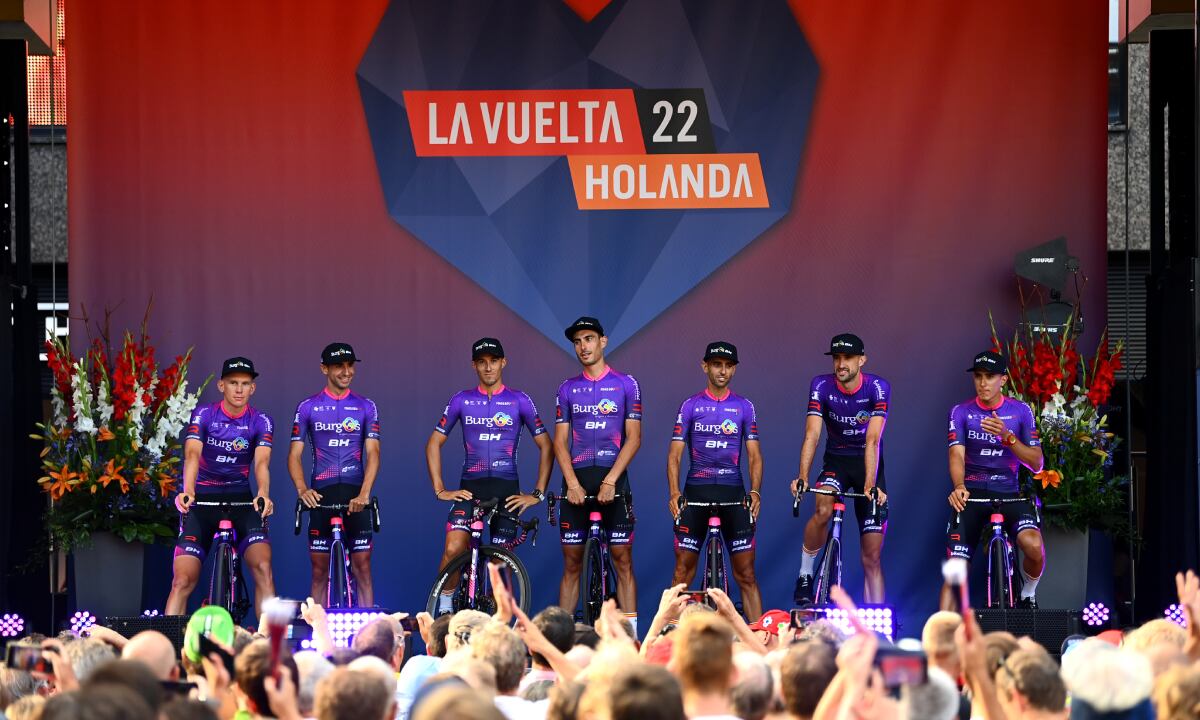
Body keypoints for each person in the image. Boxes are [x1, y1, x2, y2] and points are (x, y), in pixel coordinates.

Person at [426, 338, 552, 615]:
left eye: (493, 361)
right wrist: (440, 489)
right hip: (470, 489)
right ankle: (446, 609)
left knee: (501, 564)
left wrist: (538, 493)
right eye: (482, 362)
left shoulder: (520, 400)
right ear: (474, 365)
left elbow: (546, 445)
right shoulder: (461, 400)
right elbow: (433, 442)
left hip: (508, 490)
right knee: (453, 548)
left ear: (503, 362)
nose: (488, 367)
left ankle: (498, 619)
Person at [166, 357, 275, 616]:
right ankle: (167, 650)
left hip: (241, 501)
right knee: (181, 581)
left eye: (245, 384)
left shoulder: (261, 421)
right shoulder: (204, 414)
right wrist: (188, 490)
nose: (239, 389)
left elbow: (262, 463)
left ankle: (268, 648)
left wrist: (263, 494)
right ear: (221, 386)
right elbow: (192, 454)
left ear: (253, 388)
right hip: (202, 500)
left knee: (263, 568)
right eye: (233, 383)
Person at [554, 317, 643, 628]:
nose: (583, 347)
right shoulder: (567, 389)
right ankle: (561, 645)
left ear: (603, 341)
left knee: (623, 561)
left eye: (589, 339)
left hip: (613, 480)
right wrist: (572, 484)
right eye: (578, 341)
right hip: (577, 482)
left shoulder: (626, 384)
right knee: (571, 565)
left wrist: (610, 481)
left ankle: (632, 640)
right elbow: (560, 443)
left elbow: (634, 439)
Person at [790, 333, 891, 605]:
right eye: (837, 358)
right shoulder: (821, 385)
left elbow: (873, 439)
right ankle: (805, 573)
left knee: (871, 556)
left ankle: (877, 626)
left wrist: (870, 483)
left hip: (868, 463)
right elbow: (812, 434)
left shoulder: (878, 388)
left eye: (847, 358)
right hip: (836, 462)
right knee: (822, 506)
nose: (841, 364)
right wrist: (802, 476)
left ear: (862, 360)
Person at [942, 350, 1045, 610]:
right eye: (978, 376)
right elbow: (956, 455)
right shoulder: (961, 412)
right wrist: (959, 486)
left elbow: (1037, 463)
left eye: (990, 376)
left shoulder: (1020, 411)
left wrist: (1008, 438)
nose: (983, 383)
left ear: (1004, 379)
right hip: (972, 493)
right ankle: (940, 639)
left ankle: (1028, 594)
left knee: (1033, 547)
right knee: (955, 570)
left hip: (1009, 492)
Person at [669, 341, 764, 621]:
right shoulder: (691, 406)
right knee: (682, 573)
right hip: (695, 491)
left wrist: (756, 491)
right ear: (705, 366)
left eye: (727, 366)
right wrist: (674, 492)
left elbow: (755, 456)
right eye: (716, 365)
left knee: (746, 574)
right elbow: (674, 455)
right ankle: (669, 636)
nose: (722, 371)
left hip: (733, 493)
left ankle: (760, 641)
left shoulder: (744, 407)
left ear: (733, 369)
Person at [289, 342, 382, 607]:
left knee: (362, 568)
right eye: (338, 366)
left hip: (355, 493)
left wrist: (364, 494)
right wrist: (302, 490)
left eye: (349, 365)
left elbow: (373, 453)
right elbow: (294, 455)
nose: (346, 371)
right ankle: (317, 635)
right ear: (324, 369)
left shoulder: (366, 406)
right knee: (319, 571)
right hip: (321, 494)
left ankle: (368, 633)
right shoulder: (308, 407)